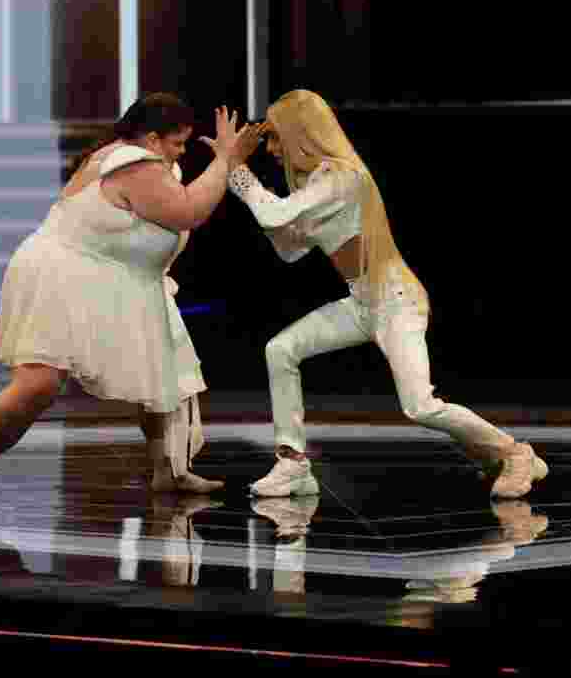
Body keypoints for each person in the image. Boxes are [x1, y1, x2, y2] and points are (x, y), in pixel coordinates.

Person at [227, 90, 547, 500]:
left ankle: (516, 453)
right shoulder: (319, 184)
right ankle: (292, 465)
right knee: (280, 350)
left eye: (274, 138)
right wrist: (258, 194)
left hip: (396, 300)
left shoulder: (341, 176)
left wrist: (237, 167)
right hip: (362, 303)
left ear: (298, 133)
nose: (270, 149)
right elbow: (289, 249)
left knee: (420, 406)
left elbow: (273, 213)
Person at [0, 93, 251, 504]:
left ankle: (169, 472)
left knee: (163, 375)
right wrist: (225, 161)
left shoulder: (148, 162)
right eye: (177, 143)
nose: (181, 152)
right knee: (37, 385)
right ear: (153, 138)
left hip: (118, 279)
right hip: (62, 274)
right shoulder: (133, 163)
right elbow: (188, 211)